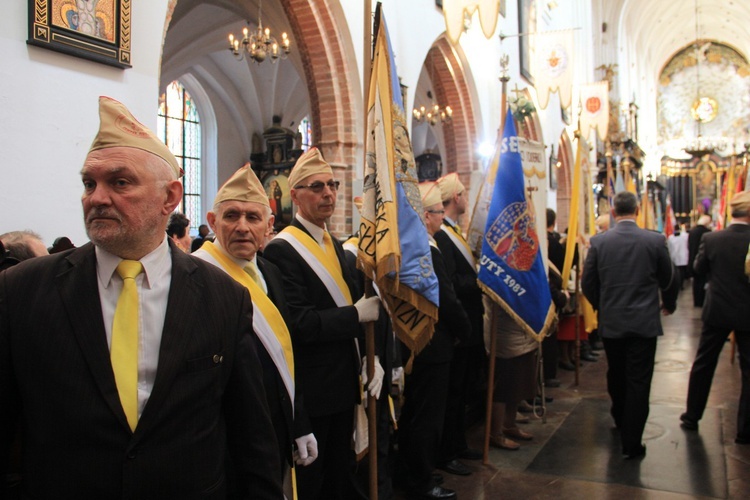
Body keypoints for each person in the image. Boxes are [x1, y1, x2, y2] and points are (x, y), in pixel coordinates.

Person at [0, 96, 282, 498]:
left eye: (120, 182)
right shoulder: (24, 291)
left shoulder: (223, 298)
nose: (96, 197)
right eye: (89, 183)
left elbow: (251, 441)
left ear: (170, 198)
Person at [263, 147, 382, 500]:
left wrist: (367, 355)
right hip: (313, 391)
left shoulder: (335, 244)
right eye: (316, 186)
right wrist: (355, 316)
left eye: (332, 184)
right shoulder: (282, 250)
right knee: (313, 482)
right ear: (295, 195)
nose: (328, 193)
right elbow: (299, 323)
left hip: (345, 384)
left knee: (340, 473)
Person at [192, 164, 317, 494]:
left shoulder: (271, 273)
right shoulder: (195, 279)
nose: (243, 227)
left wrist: (298, 421)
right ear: (212, 221)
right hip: (224, 441)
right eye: (231, 215)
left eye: (253, 217)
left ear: (269, 225)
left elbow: (288, 353)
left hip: (275, 428)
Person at [582, 191, 676, 459]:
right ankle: (632, 442)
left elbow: (588, 283)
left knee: (616, 372)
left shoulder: (599, 242)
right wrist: (668, 304)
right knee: (639, 380)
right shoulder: (655, 240)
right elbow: (668, 278)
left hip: (612, 322)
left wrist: (603, 305)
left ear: (613, 213)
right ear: (637, 211)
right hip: (644, 322)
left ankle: (621, 418)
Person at [397, 181, 470, 500]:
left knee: (414, 414)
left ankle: (413, 470)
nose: (442, 218)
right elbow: (448, 300)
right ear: (425, 216)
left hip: (413, 344)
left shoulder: (408, 245)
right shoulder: (427, 249)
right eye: (439, 212)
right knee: (427, 419)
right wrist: (466, 331)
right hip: (434, 346)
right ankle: (421, 481)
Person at [680, 191, 750, 444]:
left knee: (704, 363)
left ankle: (692, 416)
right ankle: (745, 430)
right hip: (747, 313)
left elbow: (698, 270)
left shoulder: (712, 238)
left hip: (718, 309)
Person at [433, 172, 484, 475]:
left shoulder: (454, 232)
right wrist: (481, 280)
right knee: (452, 395)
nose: (466, 198)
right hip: (457, 328)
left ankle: (459, 443)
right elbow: (450, 282)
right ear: (455, 198)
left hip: (468, 326)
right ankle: (447, 451)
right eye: (463, 193)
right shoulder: (441, 235)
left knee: (463, 391)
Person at [688, 214, 712, 306]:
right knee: (703, 282)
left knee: (696, 283)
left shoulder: (692, 231)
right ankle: (702, 301)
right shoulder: (707, 233)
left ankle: (697, 301)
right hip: (703, 259)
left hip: (692, 258)